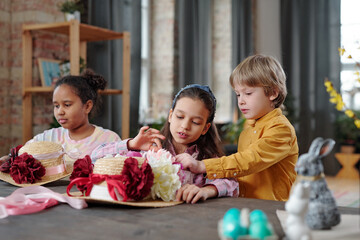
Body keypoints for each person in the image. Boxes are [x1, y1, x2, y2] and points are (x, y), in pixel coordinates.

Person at [175, 55, 299, 201]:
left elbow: (250, 160)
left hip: (272, 208)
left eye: (248, 93)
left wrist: (203, 166)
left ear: (273, 93)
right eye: (238, 94)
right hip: (246, 204)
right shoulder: (249, 127)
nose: (241, 101)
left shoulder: (281, 129)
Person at [91, 84, 239, 204]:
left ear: (205, 128)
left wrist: (206, 190)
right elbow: (94, 158)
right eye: (180, 116)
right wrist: (131, 144)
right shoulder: (148, 149)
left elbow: (233, 185)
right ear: (170, 115)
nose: (185, 126)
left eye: (195, 122)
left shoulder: (205, 159)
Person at [0, 69, 163, 162]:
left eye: (67, 105)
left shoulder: (108, 139)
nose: (60, 111)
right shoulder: (50, 137)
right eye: (56, 106)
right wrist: (9, 158)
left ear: (87, 106)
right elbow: (26, 151)